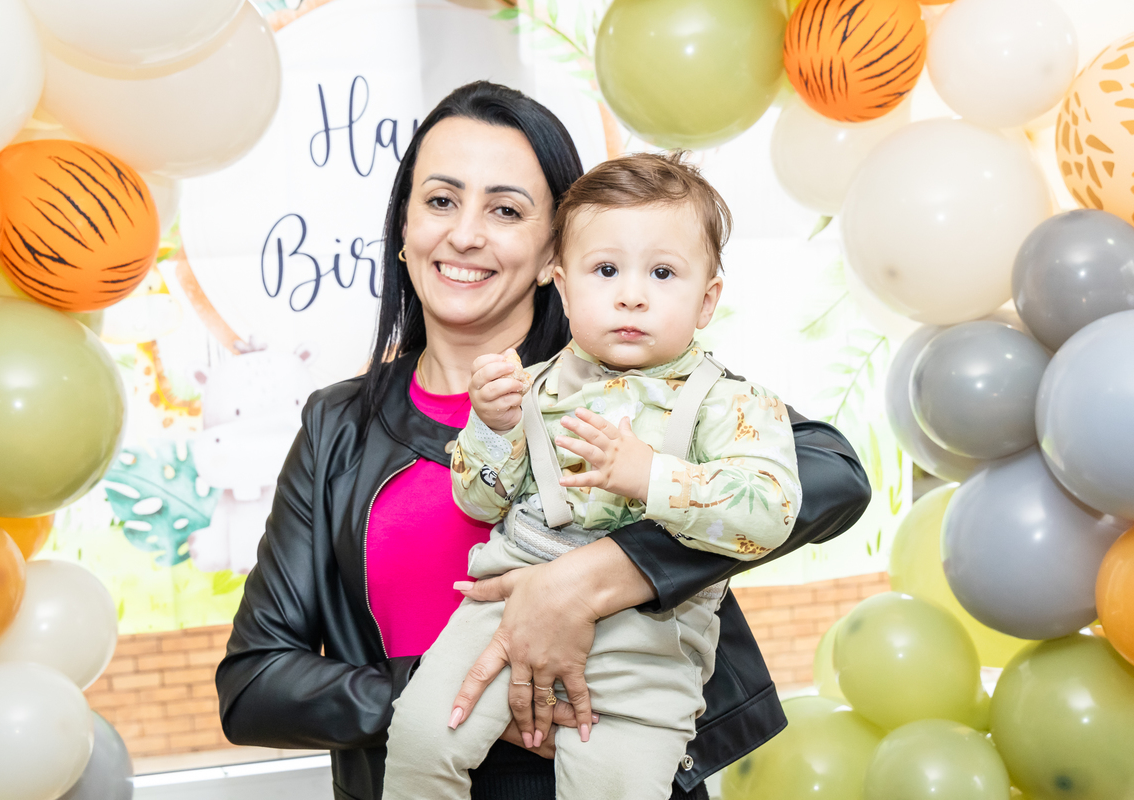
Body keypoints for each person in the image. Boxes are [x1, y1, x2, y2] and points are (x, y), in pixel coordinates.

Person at [215, 81, 871, 800]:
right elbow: (255, 684)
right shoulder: (337, 425)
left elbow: (832, 473)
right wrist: (461, 688)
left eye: (505, 209)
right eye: (440, 201)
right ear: (403, 228)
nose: (466, 235)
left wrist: (596, 576)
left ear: (552, 250)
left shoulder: (637, 382)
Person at [382, 152, 802, 800]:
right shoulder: (530, 387)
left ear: (706, 300)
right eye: (606, 270)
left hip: (652, 642)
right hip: (506, 606)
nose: (631, 294)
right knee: (419, 738)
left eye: (663, 272)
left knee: (613, 788)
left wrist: (651, 475)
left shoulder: (734, 404)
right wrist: (491, 428)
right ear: (562, 285)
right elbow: (478, 502)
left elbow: (770, 512)